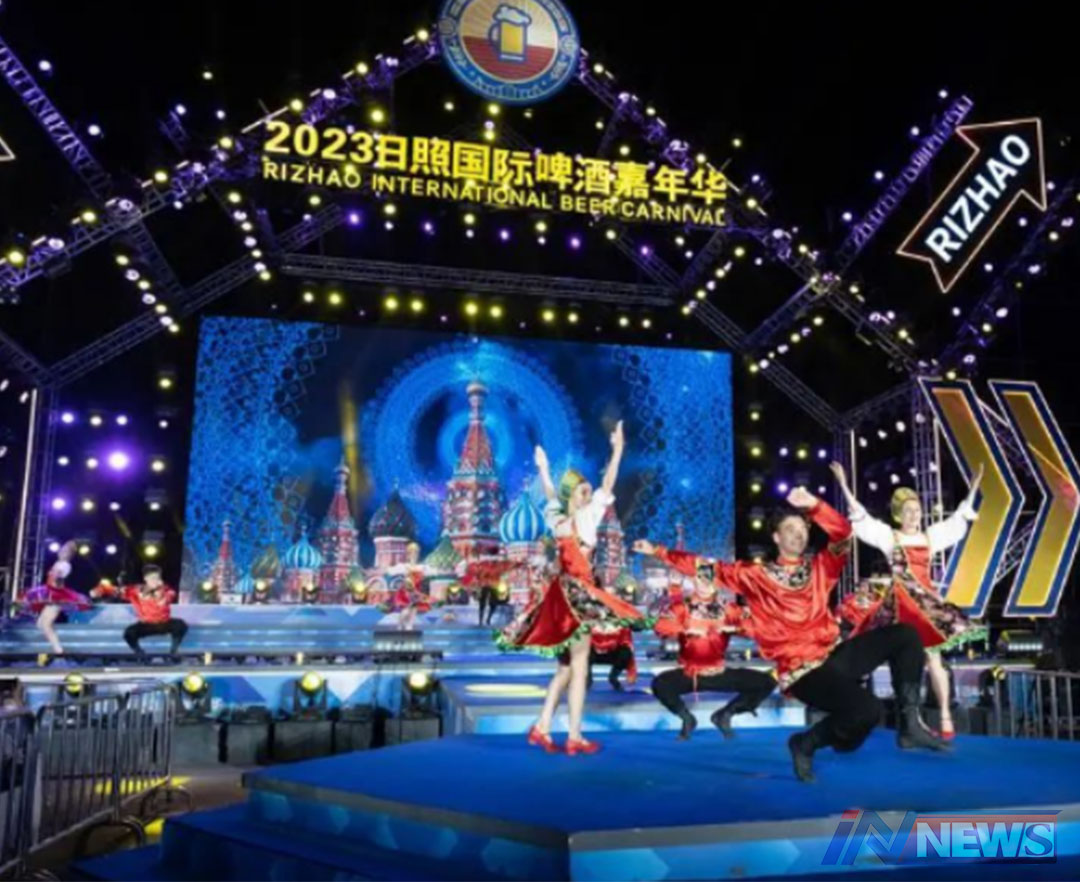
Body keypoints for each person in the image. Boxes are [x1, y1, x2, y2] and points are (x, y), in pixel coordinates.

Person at [640, 487, 947, 782]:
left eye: (802, 529)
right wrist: (658, 551)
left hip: (834, 657)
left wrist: (815, 505)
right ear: (776, 537)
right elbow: (705, 567)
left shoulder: (822, 567)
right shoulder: (754, 576)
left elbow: (843, 534)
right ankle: (804, 743)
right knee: (869, 710)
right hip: (801, 671)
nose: (798, 534)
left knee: (906, 635)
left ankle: (909, 724)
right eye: (790, 529)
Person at [497, 421, 648, 755]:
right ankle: (575, 736)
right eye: (583, 491)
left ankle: (542, 728)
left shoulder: (557, 520)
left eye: (588, 490)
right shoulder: (587, 518)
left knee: (565, 669)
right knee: (580, 668)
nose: (589, 494)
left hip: (560, 597)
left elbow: (552, 496)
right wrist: (618, 450)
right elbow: (607, 483)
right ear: (575, 497)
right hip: (578, 597)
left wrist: (544, 469)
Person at [832, 462, 987, 739]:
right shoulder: (889, 537)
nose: (914, 515)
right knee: (895, 660)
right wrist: (843, 484)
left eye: (917, 510)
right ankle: (900, 718)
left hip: (925, 606)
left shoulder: (931, 536)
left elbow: (958, 518)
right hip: (899, 606)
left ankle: (945, 715)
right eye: (908, 511)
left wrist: (974, 486)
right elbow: (862, 516)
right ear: (898, 515)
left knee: (934, 659)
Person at [629, 546, 775, 739]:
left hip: (719, 673)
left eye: (709, 579)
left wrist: (735, 628)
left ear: (717, 583)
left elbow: (756, 628)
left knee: (766, 682)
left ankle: (725, 714)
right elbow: (662, 627)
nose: (705, 584)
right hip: (690, 674)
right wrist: (685, 629)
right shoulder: (682, 608)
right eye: (701, 578)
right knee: (660, 684)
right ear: (694, 580)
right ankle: (687, 718)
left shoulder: (729, 609)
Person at [91, 565, 188, 657]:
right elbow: (114, 590)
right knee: (129, 633)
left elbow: (169, 596)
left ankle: (173, 652)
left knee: (180, 625)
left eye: (157, 578)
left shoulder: (166, 590)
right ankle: (140, 654)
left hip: (164, 623)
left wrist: (160, 594)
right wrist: (99, 590)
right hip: (146, 624)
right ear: (146, 579)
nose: (155, 581)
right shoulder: (136, 591)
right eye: (152, 578)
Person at [21, 541, 92, 659]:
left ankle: (59, 651)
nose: (63, 552)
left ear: (69, 554)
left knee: (46, 625)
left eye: (66, 551)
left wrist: (57, 576)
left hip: (57, 596)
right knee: (40, 624)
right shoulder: (59, 563)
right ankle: (55, 648)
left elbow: (60, 578)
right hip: (49, 593)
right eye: (63, 550)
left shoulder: (65, 565)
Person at [388, 542, 430, 631]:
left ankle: (409, 627)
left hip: (417, 591)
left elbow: (433, 572)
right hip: (406, 592)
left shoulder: (421, 567)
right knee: (406, 611)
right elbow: (390, 571)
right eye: (412, 552)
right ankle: (400, 624)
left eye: (416, 552)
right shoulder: (404, 566)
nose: (414, 555)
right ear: (408, 554)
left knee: (413, 610)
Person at [587, 627, 637, 691]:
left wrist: (631, 672)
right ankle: (587, 679)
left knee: (625, 652)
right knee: (582, 651)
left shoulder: (623, 626)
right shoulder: (587, 625)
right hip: (594, 652)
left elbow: (627, 646)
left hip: (613, 653)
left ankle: (613, 677)